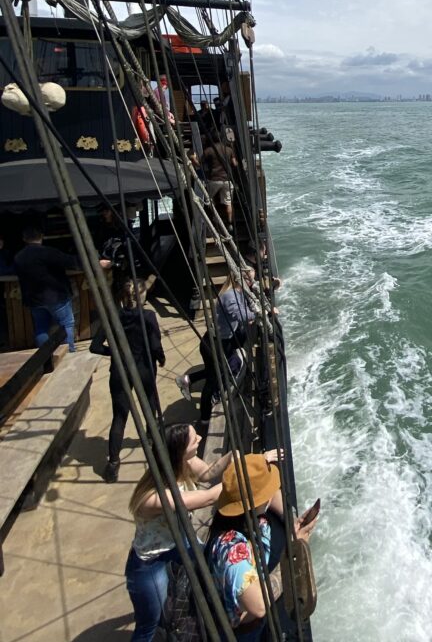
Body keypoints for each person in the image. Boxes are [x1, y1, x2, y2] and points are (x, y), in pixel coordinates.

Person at [126, 423, 231, 642]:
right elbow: (209, 497)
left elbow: (207, 473)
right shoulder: (154, 497)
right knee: (148, 624)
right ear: (180, 451)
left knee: (210, 562)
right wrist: (245, 472)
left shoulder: (186, 462)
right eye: (195, 440)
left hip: (176, 543)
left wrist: (233, 456)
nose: (200, 439)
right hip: (151, 562)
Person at [207, 453, 317, 641]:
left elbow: (272, 494)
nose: (273, 492)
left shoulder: (242, 512)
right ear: (255, 502)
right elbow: (258, 606)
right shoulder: (232, 550)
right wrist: (294, 551)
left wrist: (291, 523)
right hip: (244, 629)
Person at [90, 278, 165, 483]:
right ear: (142, 296)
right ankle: (159, 455)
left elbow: (95, 347)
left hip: (120, 370)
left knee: (119, 417)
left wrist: (115, 352)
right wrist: (161, 358)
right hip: (144, 368)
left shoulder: (112, 317)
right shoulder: (148, 316)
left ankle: (113, 463)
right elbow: (155, 344)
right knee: (151, 407)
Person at [176, 270, 258, 426]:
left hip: (223, 342)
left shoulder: (237, 294)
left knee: (230, 365)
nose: (252, 284)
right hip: (213, 344)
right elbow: (239, 314)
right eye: (251, 281)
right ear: (242, 281)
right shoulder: (230, 295)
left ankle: (187, 380)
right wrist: (257, 313)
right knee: (213, 380)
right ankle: (205, 418)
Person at [13, 225, 77, 352]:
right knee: (66, 324)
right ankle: (69, 353)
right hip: (56, 296)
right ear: (41, 236)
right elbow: (70, 262)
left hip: (33, 299)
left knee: (41, 328)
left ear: (24, 239)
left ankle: (45, 358)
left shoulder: (18, 257)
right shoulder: (48, 252)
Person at [202, 128, 238, 227]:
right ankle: (230, 223)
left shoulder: (208, 150)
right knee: (228, 202)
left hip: (214, 179)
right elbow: (235, 164)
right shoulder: (229, 150)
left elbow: (200, 164)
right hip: (227, 180)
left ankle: (215, 218)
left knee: (209, 199)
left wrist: (192, 159)